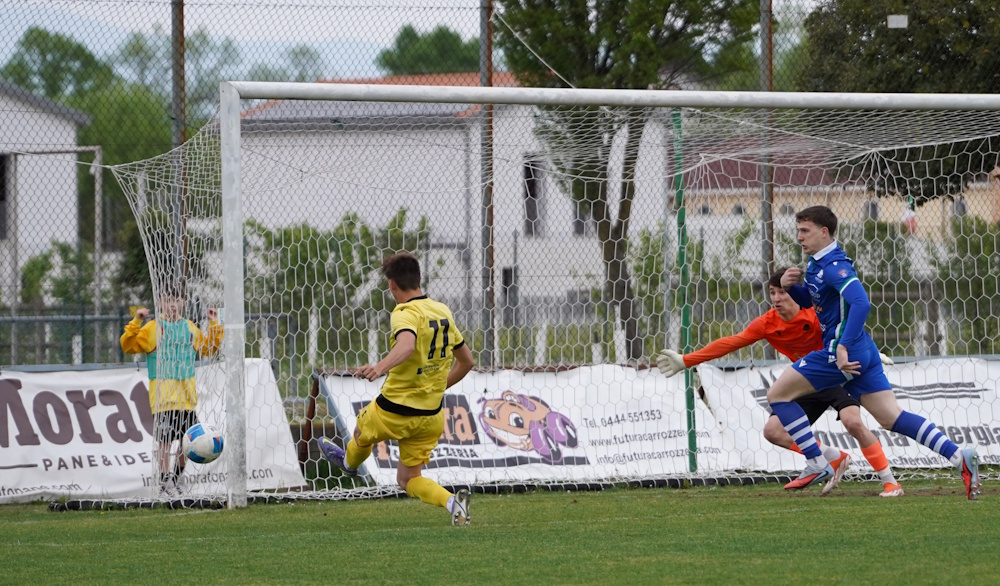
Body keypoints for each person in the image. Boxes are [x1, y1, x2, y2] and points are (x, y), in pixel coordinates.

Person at [767, 205, 979, 499]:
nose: (799, 237)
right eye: (798, 231)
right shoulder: (817, 263)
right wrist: (791, 287)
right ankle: (958, 456)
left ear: (824, 232)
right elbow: (815, 303)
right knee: (892, 417)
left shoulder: (834, 266)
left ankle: (816, 461)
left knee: (777, 395)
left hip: (841, 350)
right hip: (862, 349)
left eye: (805, 231)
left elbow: (861, 303)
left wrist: (842, 346)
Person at [657, 268, 904, 497]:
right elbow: (731, 342)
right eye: (772, 292)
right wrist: (686, 360)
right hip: (805, 380)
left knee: (853, 422)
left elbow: (849, 327)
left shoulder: (815, 314)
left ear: (795, 292)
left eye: (782, 292)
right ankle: (833, 457)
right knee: (773, 431)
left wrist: (871, 353)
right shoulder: (767, 323)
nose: (776, 298)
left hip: (835, 374)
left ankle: (889, 481)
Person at [318, 252, 476, 524]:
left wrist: (379, 367)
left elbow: (407, 345)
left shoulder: (404, 313)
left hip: (394, 410)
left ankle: (348, 464)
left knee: (360, 432)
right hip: (430, 415)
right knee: (408, 478)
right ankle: (452, 503)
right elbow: (467, 362)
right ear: (419, 278)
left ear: (392, 285)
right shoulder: (442, 311)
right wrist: (436, 388)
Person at [120, 288, 224, 497]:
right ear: (160, 303)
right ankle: (163, 481)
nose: (173, 304)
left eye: (177, 299)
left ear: (184, 302)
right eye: (168, 300)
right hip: (163, 399)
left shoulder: (190, 328)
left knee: (189, 441)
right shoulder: (152, 328)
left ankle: (175, 479)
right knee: (165, 442)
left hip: (187, 398)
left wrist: (214, 324)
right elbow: (128, 346)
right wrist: (136, 321)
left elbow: (208, 349)